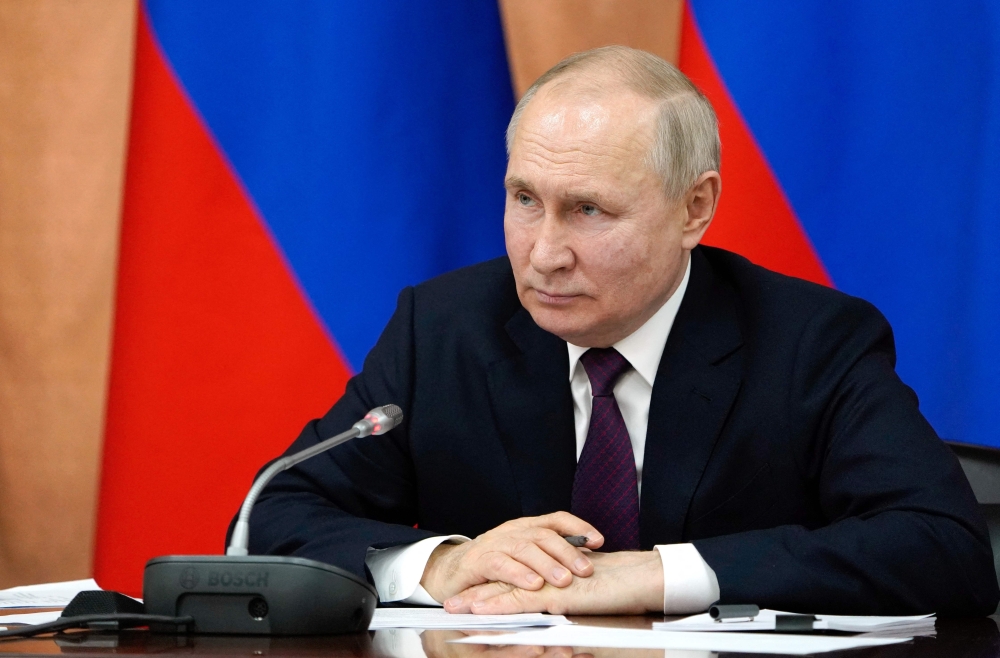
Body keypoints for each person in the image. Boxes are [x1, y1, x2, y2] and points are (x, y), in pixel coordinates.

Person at [244, 46, 998, 616]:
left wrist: (658, 573)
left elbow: (944, 547)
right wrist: (440, 564)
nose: (544, 253)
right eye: (524, 199)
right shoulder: (442, 329)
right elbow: (269, 516)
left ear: (693, 210)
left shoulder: (810, 341)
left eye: (588, 211)